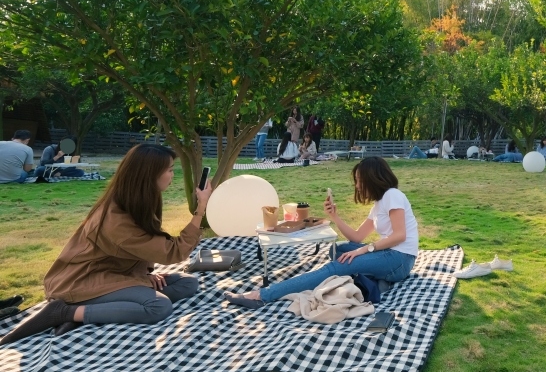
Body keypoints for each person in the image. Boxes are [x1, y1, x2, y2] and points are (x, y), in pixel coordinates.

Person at [0, 144, 212, 344]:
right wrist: (200, 208)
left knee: (187, 283)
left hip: (115, 275)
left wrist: (144, 276)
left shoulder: (140, 200)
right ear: (149, 175)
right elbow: (173, 252)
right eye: (169, 170)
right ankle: (64, 312)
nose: (172, 176)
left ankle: (85, 313)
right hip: (81, 281)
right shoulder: (116, 219)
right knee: (158, 305)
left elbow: (142, 247)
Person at [225, 157, 418, 309]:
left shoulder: (393, 195)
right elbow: (357, 237)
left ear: (372, 179)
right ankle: (375, 279)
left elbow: (400, 236)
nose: (357, 186)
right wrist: (335, 216)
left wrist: (363, 251)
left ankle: (261, 296)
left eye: (359, 181)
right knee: (339, 250)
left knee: (337, 266)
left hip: (400, 259)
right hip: (391, 256)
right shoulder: (379, 204)